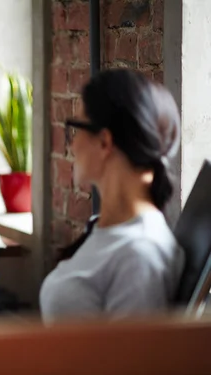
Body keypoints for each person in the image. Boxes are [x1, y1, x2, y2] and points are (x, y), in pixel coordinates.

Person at [39, 69, 185, 324]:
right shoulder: (111, 228)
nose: (72, 146)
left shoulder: (140, 255)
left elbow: (130, 363)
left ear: (104, 142)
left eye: (77, 129)